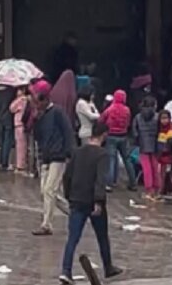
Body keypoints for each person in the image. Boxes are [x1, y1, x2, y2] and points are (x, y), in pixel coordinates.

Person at [59, 122, 123, 285]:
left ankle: (66, 271)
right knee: (102, 236)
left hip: (77, 199)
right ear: (104, 135)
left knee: (73, 237)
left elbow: (67, 176)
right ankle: (108, 266)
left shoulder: (77, 152)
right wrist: (99, 201)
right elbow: (100, 180)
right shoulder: (102, 154)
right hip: (92, 200)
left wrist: (68, 195)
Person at [31, 80, 73, 236]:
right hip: (46, 156)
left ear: (45, 99)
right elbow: (37, 136)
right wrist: (35, 120)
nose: (36, 105)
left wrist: (69, 153)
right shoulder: (41, 116)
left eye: (38, 101)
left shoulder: (58, 112)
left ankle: (46, 224)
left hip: (58, 156)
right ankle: (74, 212)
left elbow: (68, 132)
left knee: (50, 190)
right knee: (47, 191)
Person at [99, 89, 136, 192]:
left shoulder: (110, 109)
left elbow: (101, 119)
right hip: (123, 136)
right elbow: (128, 123)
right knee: (127, 159)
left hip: (111, 136)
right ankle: (133, 183)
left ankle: (109, 184)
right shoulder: (127, 110)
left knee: (111, 160)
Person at [133, 96, 159, 200]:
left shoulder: (138, 117)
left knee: (146, 168)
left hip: (143, 145)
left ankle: (149, 190)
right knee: (155, 168)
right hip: (155, 145)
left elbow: (134, 132)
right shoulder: (157, 117)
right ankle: (157, 189)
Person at [0, 84, 15, 171]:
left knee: (2, 140)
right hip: (8, 118)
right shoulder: (11, 91)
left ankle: (2, 161)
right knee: (7, 141)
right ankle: (5, 163)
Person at [157, 109, 172, 201]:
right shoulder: (158, 128)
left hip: (169, 156)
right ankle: (164, 190)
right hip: (161, 156)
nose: (164, 120)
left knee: (167, 174)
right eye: (162, 118)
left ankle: (166, 191)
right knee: (163, 174)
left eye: (166, 118)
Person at [10, 86, 29, 173]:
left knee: (20, 145)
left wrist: (17, 99)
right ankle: (23, 163)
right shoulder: (27, 100)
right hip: (23, 124)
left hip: (19, 124)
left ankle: (20, 165)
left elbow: (11, 108)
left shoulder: (21, 100)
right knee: (23, 145)